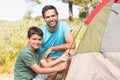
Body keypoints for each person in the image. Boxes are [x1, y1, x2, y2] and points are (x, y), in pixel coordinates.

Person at [40, 5, 76, 80]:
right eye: (48, 17)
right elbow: (41, 56)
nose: (51, 19)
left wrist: (52, 48)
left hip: (63, 57)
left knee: (71, 52)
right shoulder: (41, 32)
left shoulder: (63, 25)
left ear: (57, 16)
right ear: (44, 19)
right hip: (48, 60)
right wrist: (55, 66)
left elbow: (72, 45)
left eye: (53, 16)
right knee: (53, 73)